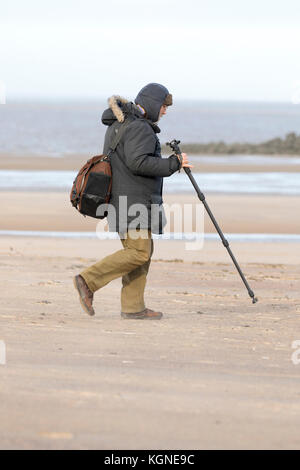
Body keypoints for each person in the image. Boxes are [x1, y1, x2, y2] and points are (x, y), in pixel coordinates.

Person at [73, 83, 193, 319]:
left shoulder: (120, 124)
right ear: (151, 103)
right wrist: (174, 163)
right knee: (139, 252)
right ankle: (88, 280)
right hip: (134, 201)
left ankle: (133, 307)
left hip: (121, 199)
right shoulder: (139, 128)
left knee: (140, 252)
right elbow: (138, 162)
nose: (165, 112)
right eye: (163, 106)